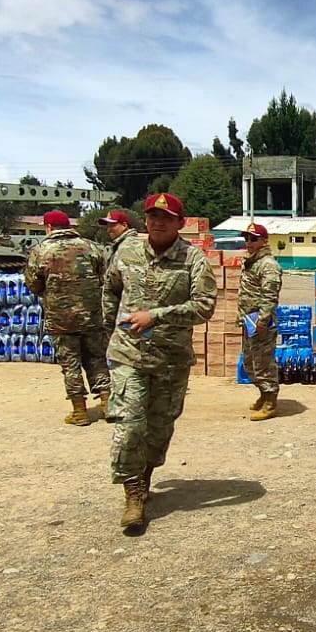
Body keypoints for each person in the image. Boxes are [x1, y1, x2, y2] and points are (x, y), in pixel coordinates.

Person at [101, 192, 216, 534]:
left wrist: (156, 316)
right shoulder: (127, 251)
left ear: (181, 223)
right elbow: (110, 290)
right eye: (152, 216)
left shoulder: (193, 259)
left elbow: (205, 305)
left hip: (170, 359)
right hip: (128, 355)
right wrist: (112, 327)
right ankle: (133, 493)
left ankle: (146, 473)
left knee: (158, 429)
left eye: (166, 218)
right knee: (130, 424)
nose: (158, 222)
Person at [24, 209, 110, 425]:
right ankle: (108, 405)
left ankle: (79, 411)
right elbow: (104, 278)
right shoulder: (91, 247)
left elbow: (33, 284)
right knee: (97, 359)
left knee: (70, 364)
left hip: (61, 319)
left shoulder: (41, 250)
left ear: (49, 227)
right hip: (91, 316)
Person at [237, 222, 283, 420]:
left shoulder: (268, 265)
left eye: (253, 239)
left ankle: (271, 402)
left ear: (264, 241)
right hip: (249, 322)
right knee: (250, 363)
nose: (248, 242)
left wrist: (262, 322)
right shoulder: (252, 262)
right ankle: (264, 395)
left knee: (263, 364)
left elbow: (269, 296)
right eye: (246, 239)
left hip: (261, 325)